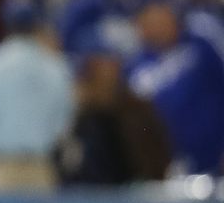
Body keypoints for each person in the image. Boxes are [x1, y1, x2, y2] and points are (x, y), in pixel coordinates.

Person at [0, 0, 73, 189]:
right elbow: (61, 130)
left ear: (4, 25)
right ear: (37, 26)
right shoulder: (57, 67)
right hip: (40, 171)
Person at [124, 0, 224, 175]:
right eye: (152, 21)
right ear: (141, 27)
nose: (159, 26)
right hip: (165, 164)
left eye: (164, 18)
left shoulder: (200, 48)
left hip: (213, 158)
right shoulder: (134, 68)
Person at [63, 42, 173, 185]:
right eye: (98, 66)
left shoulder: (137, 107)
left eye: (110, 66)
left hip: (133, 189)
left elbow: (158, 151)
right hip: (85, 191)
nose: (106, 73)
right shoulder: (77, 110)